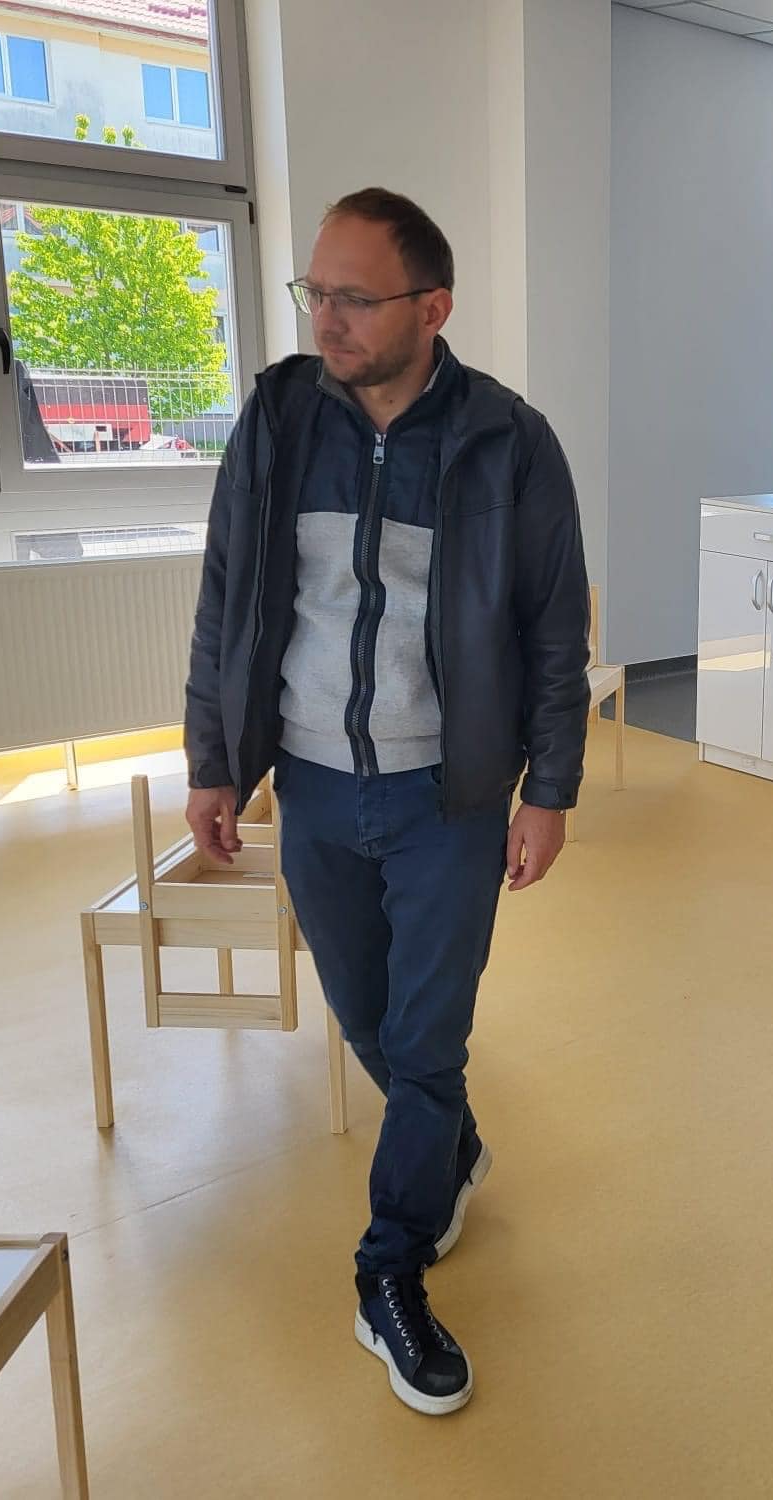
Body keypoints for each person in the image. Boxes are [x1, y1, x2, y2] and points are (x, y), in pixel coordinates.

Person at [182, 187, 589, 1416]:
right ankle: (446, 1147)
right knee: (366, 1017)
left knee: (424, 1043)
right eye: (316, 292)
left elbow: (553, 631)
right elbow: (225, 596)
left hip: (446, 795)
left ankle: (389, 1269)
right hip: (310, 783)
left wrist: (549, 789)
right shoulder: (277, 418)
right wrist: (214, 761)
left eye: (354, 298)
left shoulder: (510, 442)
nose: (327, 319)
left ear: (433, 308)